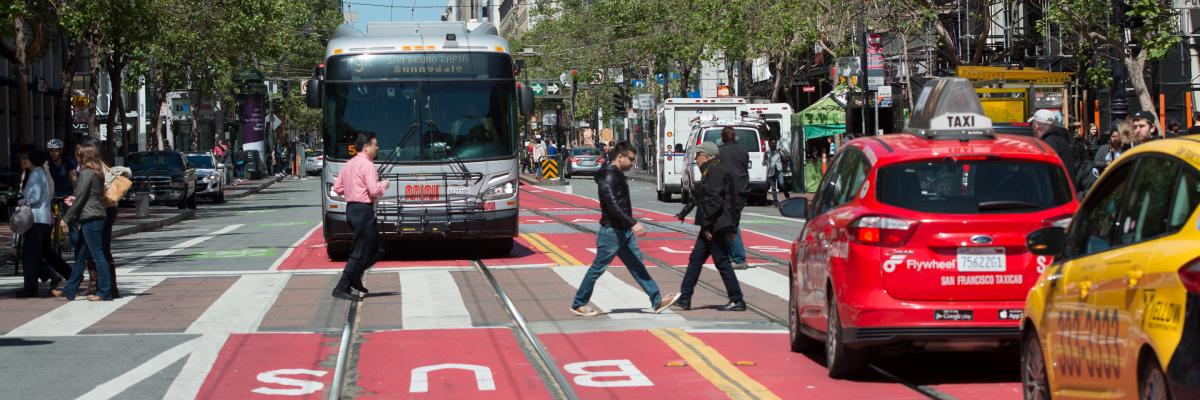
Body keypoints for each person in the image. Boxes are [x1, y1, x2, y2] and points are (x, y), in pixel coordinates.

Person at [570, 142, 681, 316]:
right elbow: (612, 205)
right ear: (619, 157)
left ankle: (656, 300)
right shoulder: (608, 176)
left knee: (637, 266)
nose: (632, 162)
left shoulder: (617, 174)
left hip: (623, 232)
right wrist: (633, 223)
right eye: (630, 158)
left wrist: (629, 225)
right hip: (612, 232)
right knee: (597, 268)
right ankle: (578, 303)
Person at [673, 143, 744, 311]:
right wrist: (684, 212)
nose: (696, 159)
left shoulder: (715, 171)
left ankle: (737, 299)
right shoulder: (709, 170)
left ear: (707, 155)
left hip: (715, 226)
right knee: (696, 260)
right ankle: (685, 297)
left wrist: (706, 226)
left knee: (722, 262)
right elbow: (698, 196)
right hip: (712, 225)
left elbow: (715, 202)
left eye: (698, 155)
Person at [330, 132, 390, 300]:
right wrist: (384, 184)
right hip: (363, 210)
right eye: (375, 145)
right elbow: (374, 190)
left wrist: (352, 190)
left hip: (352, 209)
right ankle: (342, 286)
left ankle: (354, 277)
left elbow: (337, 188)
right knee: (361, 250)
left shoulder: (349, 164)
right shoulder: (367, 165)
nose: (377, 148)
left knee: (376, 247)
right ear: (366, 147)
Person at [52, 144, 114, 301]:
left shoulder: (87, 173)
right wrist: (75, 199)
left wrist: (66, 218)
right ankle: (70, 289)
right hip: (93, 215)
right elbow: (86, 195)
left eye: (78, 155)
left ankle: (105, 291)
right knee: (80, 255)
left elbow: (81, 197)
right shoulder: (95, 172)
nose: (76, 158)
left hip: (91, 217)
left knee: (97, 255)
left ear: (84, 157)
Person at [14, 145, 70, 297]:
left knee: (30, 255)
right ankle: (68, 274)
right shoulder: (35, 173)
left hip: (37, 219)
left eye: (25, 158)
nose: (22, 161)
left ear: (31, 159)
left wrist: (20, 201)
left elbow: (36, 197)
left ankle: (31, 288)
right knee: (44, 252)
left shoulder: (37, 174)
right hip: (41, 219)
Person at [79, 137, 125, 298]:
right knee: (100, 250)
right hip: (107, 209)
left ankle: (103, 287)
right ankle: (105, 286)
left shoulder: (97, 168)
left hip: (101, 210)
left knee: (98, 251)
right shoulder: (102, 166)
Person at [718, 127, 750, 270]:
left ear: (723, 137)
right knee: (730, 222)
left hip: (728, 192)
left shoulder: (720, 152)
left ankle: (738, 258)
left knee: (730, 224)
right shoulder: (743, 151)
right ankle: (733, 256)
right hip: (742, 190)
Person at [1029, 109, 1074, 176]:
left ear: (1036, 126)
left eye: (1031, 124)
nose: (1031, 126)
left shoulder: (1046, 144)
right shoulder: (1063, 140)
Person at [763, 139, 791, 207]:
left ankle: (787, 196)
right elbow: (763, 162)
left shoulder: (779, 151)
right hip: (770, 171)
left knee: (782, 184)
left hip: (778, 170)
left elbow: (784, 159)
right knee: (773, 187)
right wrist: (764, 160)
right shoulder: (767, 152)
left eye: (774, 143)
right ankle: (775, 202)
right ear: (769, 144)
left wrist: (782, 154)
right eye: (772, 143)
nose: (773, 144)